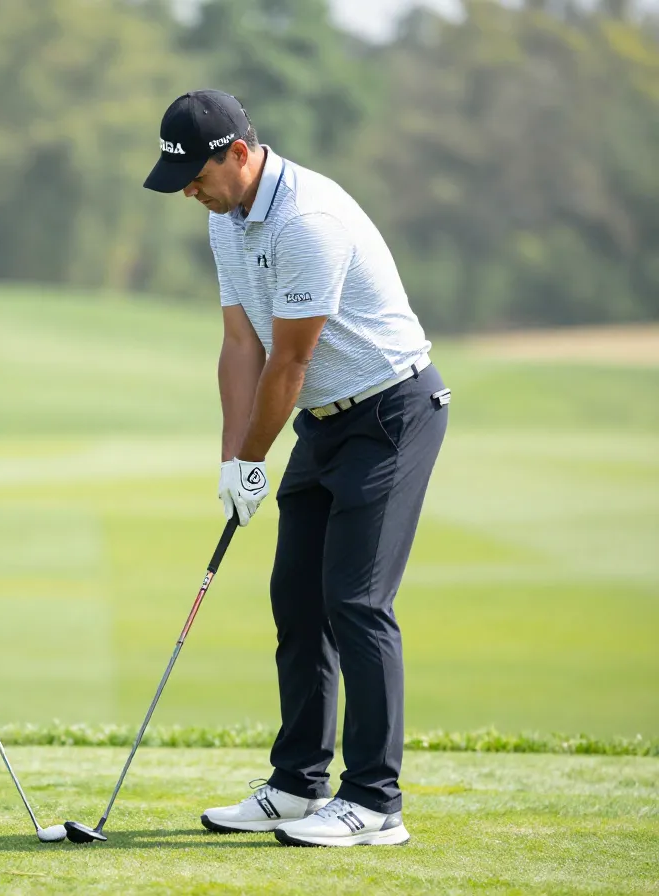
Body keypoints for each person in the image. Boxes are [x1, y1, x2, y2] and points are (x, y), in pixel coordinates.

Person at [143, 91, 450, 847]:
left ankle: (376, 803)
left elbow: (292, 357)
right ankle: (298, 786)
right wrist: (231, 460)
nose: (188, 191)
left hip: (389, 413)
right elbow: (241, 346)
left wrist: (255, 456)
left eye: (195, 174)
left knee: (357, 601)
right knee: (298, 600)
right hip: (321, 420)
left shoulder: (309, 218)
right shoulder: (227, 218)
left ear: (238, 155)